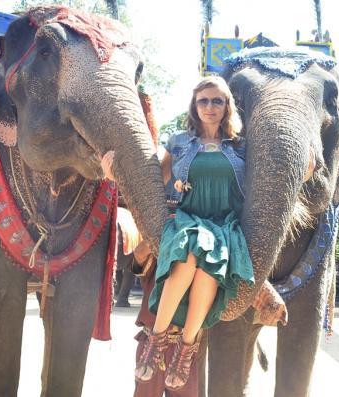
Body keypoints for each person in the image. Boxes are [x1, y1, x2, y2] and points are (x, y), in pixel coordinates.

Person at [102, 76, 254, 390]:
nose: (210, 107)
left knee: (209, 265)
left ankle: (186, 349)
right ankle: (156, 342)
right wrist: (113, 174)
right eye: (204, 101)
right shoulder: (180, 142)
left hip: (226, 224)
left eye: (217, 101)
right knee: (189, 252)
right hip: (189, 219)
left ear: (227, 106)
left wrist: (306, 169)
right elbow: (152, 181)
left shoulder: (242, 146)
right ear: (194, 106)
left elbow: (267, 185)